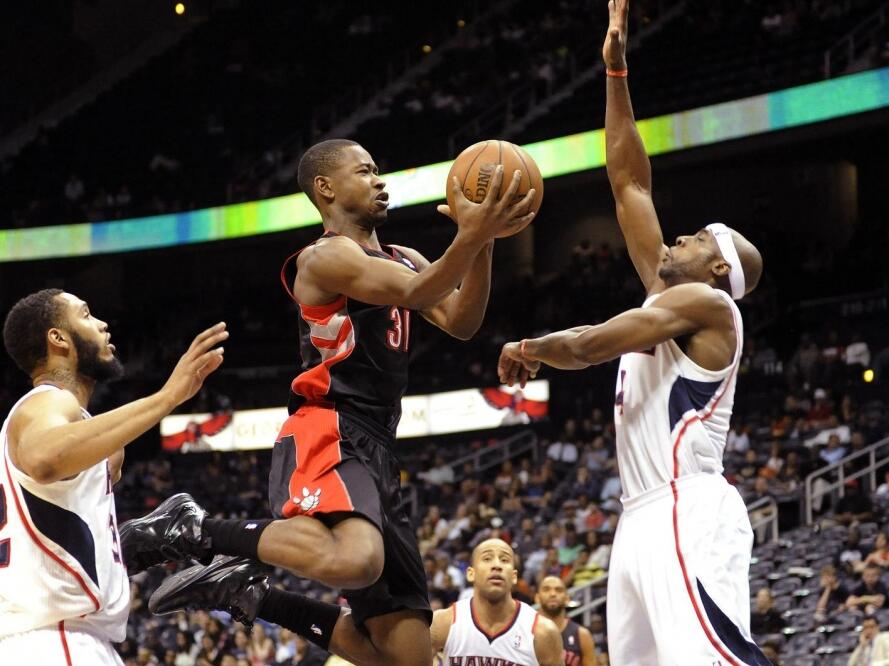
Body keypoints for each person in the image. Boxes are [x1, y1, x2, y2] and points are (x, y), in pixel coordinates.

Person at [124, 140, 535, 666]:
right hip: (331, 426)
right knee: (358, 561)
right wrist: (472, 232)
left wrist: (487, 241)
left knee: (405, 657)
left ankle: (253, 594)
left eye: (378, 170)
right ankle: (194, 528)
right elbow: (417, 293)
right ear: (326, 188)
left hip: (381, 445)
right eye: (364, 172)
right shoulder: (326, 257)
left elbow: (462, 321)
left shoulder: (404, 257)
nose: (379, 181)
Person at [496, 3, 766, 664]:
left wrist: (528, 348)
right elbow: (627, 181)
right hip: (640, 516)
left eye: (698, 237)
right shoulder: (670, 290)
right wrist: (616, 69)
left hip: (687, 508)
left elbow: (591, 345)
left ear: (718, 267)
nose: (678, 236)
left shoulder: (708, 307)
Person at [0, 289, 226, 662]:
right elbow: (44, 457)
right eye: (86, 315)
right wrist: (168, 397)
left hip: (64, 639)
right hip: (54, 640)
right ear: (57, 338)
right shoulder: (47, 401)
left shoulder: (84, 432)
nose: (103, 324)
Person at [429, 539, 563, 666]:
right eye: (487, 559)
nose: (497, 565)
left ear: (514, 576)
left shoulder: (543, 632)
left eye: (504, 560)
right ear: (471, 574)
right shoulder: (443, 622)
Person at [535, 575, 597, 666]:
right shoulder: (525, 632)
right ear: (537, 598)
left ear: (567, 599)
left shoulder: (582, 635)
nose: (553, 594)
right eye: (546, 589)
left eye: (559, 590)